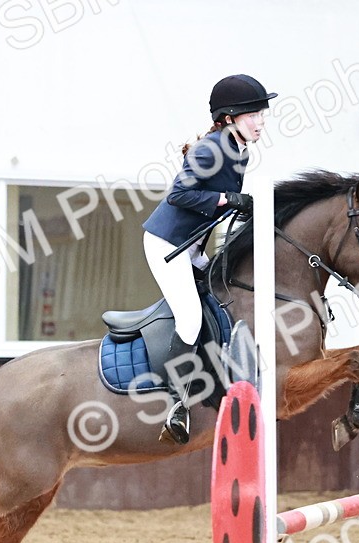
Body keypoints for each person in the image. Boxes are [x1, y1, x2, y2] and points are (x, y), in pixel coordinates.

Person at [141, 74, 276, 445]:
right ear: (231, 117)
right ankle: (174, 403)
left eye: (263, 114)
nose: (261, 121)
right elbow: (179, 195)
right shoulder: (211, 150)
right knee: (189, 316)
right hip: (167, 245)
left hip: (193, 247)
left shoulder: (240, 151)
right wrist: (225, 200)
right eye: (253, 115)